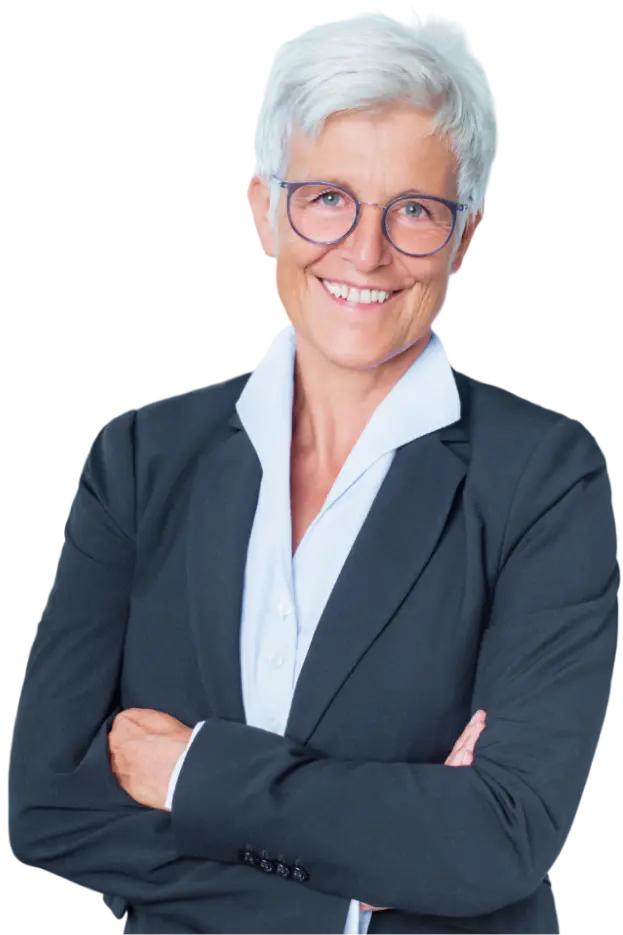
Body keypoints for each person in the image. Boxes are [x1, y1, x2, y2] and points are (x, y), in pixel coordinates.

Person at [7, 10, 619, 935]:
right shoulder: (139, 460)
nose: (365, 252)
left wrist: (192, 774)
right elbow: (49, 809)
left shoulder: (543, 478)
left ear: (464, 237)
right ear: (261, 208)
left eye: (413, 210)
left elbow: (502, 835)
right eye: (327, 198)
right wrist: (357, 895)